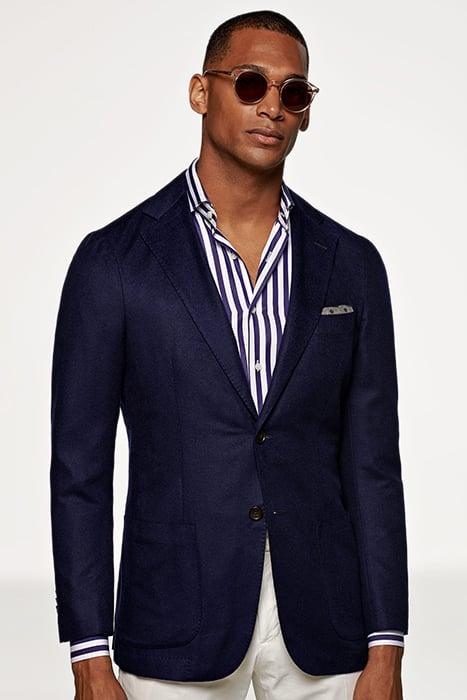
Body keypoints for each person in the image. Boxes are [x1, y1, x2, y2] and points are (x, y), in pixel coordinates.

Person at [50, 10, 408, 700]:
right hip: (174, 618)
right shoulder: (113, 262)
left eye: (292, 92)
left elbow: (373, 467)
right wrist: (89, 657)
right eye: (249, 83)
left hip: (329, 626)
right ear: (200, 92)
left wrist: (387, 644)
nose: (271, 106)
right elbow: (79, 472)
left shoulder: (351, 264)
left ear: (305, 113)